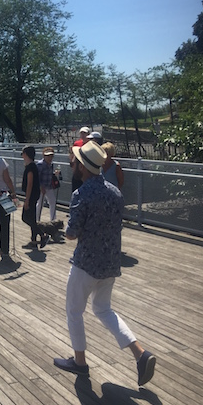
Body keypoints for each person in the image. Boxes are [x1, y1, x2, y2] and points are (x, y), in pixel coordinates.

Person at [54, 141, 156, 386]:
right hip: (110, 263)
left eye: (76, 161)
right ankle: (140, 354)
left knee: (74, 311)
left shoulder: (81, 194)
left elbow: (71, 233)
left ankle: (79, 362)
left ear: (82, 166)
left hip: (86, 264)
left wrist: (68, 224)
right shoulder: (115, 192)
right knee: (103, 309)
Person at [21, 146, 49, 248]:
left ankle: (43, 235)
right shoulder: (32, 166)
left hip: (31, 196)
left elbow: (30, 183)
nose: (22, 156)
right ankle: (33, 240)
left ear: (26, 154)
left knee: (25, 217)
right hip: (34, 194)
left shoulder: (30, 167)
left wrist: (26, 200)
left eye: (23, 153)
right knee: (32, 218)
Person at [36, 147, 58, 222]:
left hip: (49, 186)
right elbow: (37, 177)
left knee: (53, 201)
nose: (50, 158)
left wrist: (55, 174)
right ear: (44, 156)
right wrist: (40, 186)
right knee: (40, 204)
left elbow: (49, 175)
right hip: (42, 187)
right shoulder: (40, 164)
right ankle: (37, 220)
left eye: (51, 156)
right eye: (48, 156)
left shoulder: (51, 164)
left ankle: (53, 219)